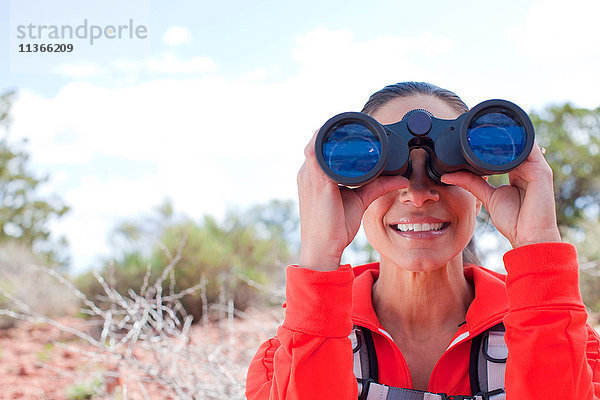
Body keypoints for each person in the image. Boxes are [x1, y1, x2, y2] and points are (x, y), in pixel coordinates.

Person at [245, 82, 600, 399]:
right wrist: (319, 256)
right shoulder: (285, 357)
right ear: (346, 189)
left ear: (478, 194)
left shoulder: (566, 340)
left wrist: (537, 242)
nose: (417, 195)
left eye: (445, 171)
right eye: (389, 170)